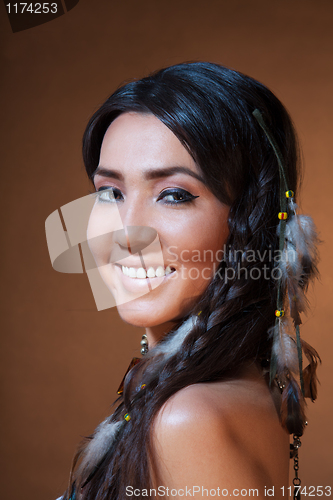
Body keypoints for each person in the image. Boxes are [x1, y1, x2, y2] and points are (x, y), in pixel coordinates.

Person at [49, 62, 320, 500]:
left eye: (174, 195)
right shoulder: (232, 390)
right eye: (109, 193)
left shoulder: (188, 419)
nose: (126, 231)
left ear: (250, 222)